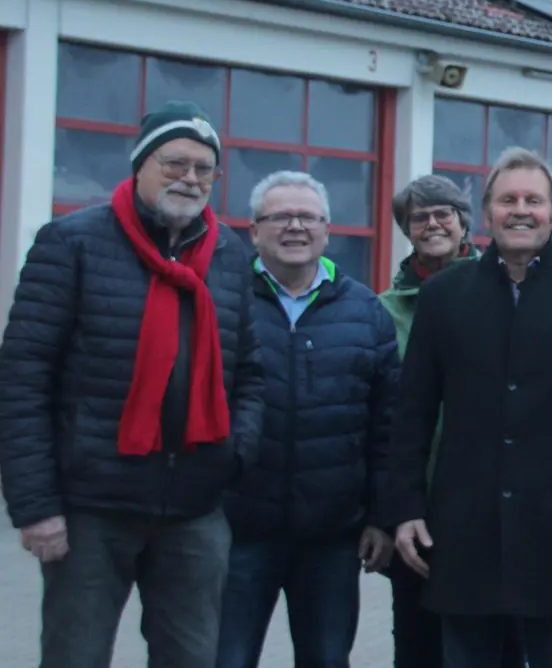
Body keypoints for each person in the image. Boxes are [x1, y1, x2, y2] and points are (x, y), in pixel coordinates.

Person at [0, 100, 266, 668]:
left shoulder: (228, 256)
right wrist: (35, 507)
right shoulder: (71, 243)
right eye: (174, 163)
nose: (190, 179)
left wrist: (233, 455)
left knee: (192, 658)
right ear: (140, 165)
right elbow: (23, 378)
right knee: (76, 656)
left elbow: (249, 374)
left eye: (204, 169)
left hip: (194, 507)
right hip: (91, 509)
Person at [386, 146, 552, 668]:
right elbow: (411, 415)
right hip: (462, 532)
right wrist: (405, 508)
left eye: (533, 199)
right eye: (508, 200)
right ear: (487, 214)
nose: (520, 210)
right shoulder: (444, 297)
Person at [215, 171, 400, 668]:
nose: (295, 226)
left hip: (332, 536)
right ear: (253, 231)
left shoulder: (365, 312)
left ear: (327, 229)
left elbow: (387, 428)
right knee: (224, 659)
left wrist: (381, 517)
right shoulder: (221, 302)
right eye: (280, 217)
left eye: (307, 217)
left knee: (325, 658)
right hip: (237, 529)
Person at [376, 175, 520, 668]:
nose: (433, 223)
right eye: (420, 216)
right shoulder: (384, 312)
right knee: (416, 645)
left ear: (464, 224)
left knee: (498, 647)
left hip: (488, 508)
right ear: (405, 229)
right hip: (416, 506)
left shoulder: (508, 295)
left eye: (444, 213)